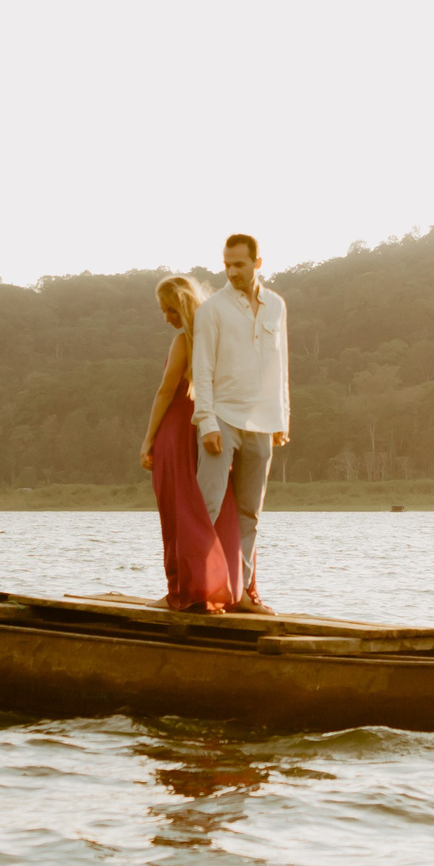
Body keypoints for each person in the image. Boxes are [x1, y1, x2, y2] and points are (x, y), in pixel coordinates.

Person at [191, 233, 289, 610]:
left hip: (263, 422)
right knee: (208, 508)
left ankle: (242, 594)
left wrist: (282, 415)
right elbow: (203, 369)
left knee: (250, 513)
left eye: (239, 264)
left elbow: (281, 365)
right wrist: (207, 422)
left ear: (257, 263)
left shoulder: (276, 306)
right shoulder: (212, 309)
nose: (231, 271)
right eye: (226, 264)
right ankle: (195, 591)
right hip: (222, 417)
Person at [139, 275, 240, 610]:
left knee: (177, 507)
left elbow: (165, 392)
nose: (166, 318)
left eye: (169, 310)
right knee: (211, 507)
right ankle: (215, 587)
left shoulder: (185, 341)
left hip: (178, 431)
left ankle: (181, 589)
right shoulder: (218, 338)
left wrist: (148, 439)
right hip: (212, 429)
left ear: (182, 306)